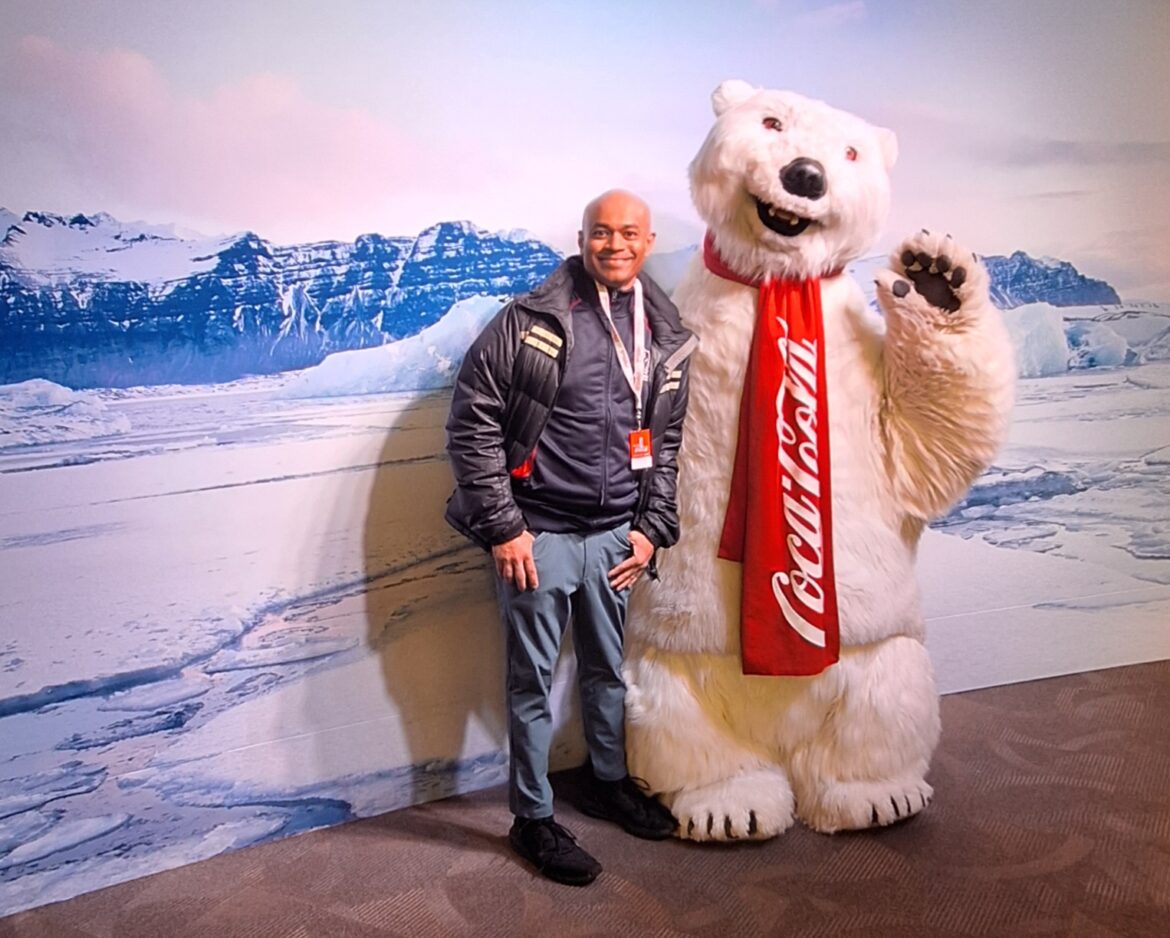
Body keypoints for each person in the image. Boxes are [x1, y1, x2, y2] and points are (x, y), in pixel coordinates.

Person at [444, 190, 696, 885]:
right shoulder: (531, 322)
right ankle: (532, 817)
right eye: (599, 233)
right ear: (583, 238)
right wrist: (504, 529)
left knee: (605, 672)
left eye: (627, 234)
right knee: (531, 685)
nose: (613, 245)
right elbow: (473, 422)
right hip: (541, 536)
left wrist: (652, 530)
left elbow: (666, 441)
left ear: (647, 242)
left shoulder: (664, 328)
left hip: (617, 537)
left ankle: (605, 780)